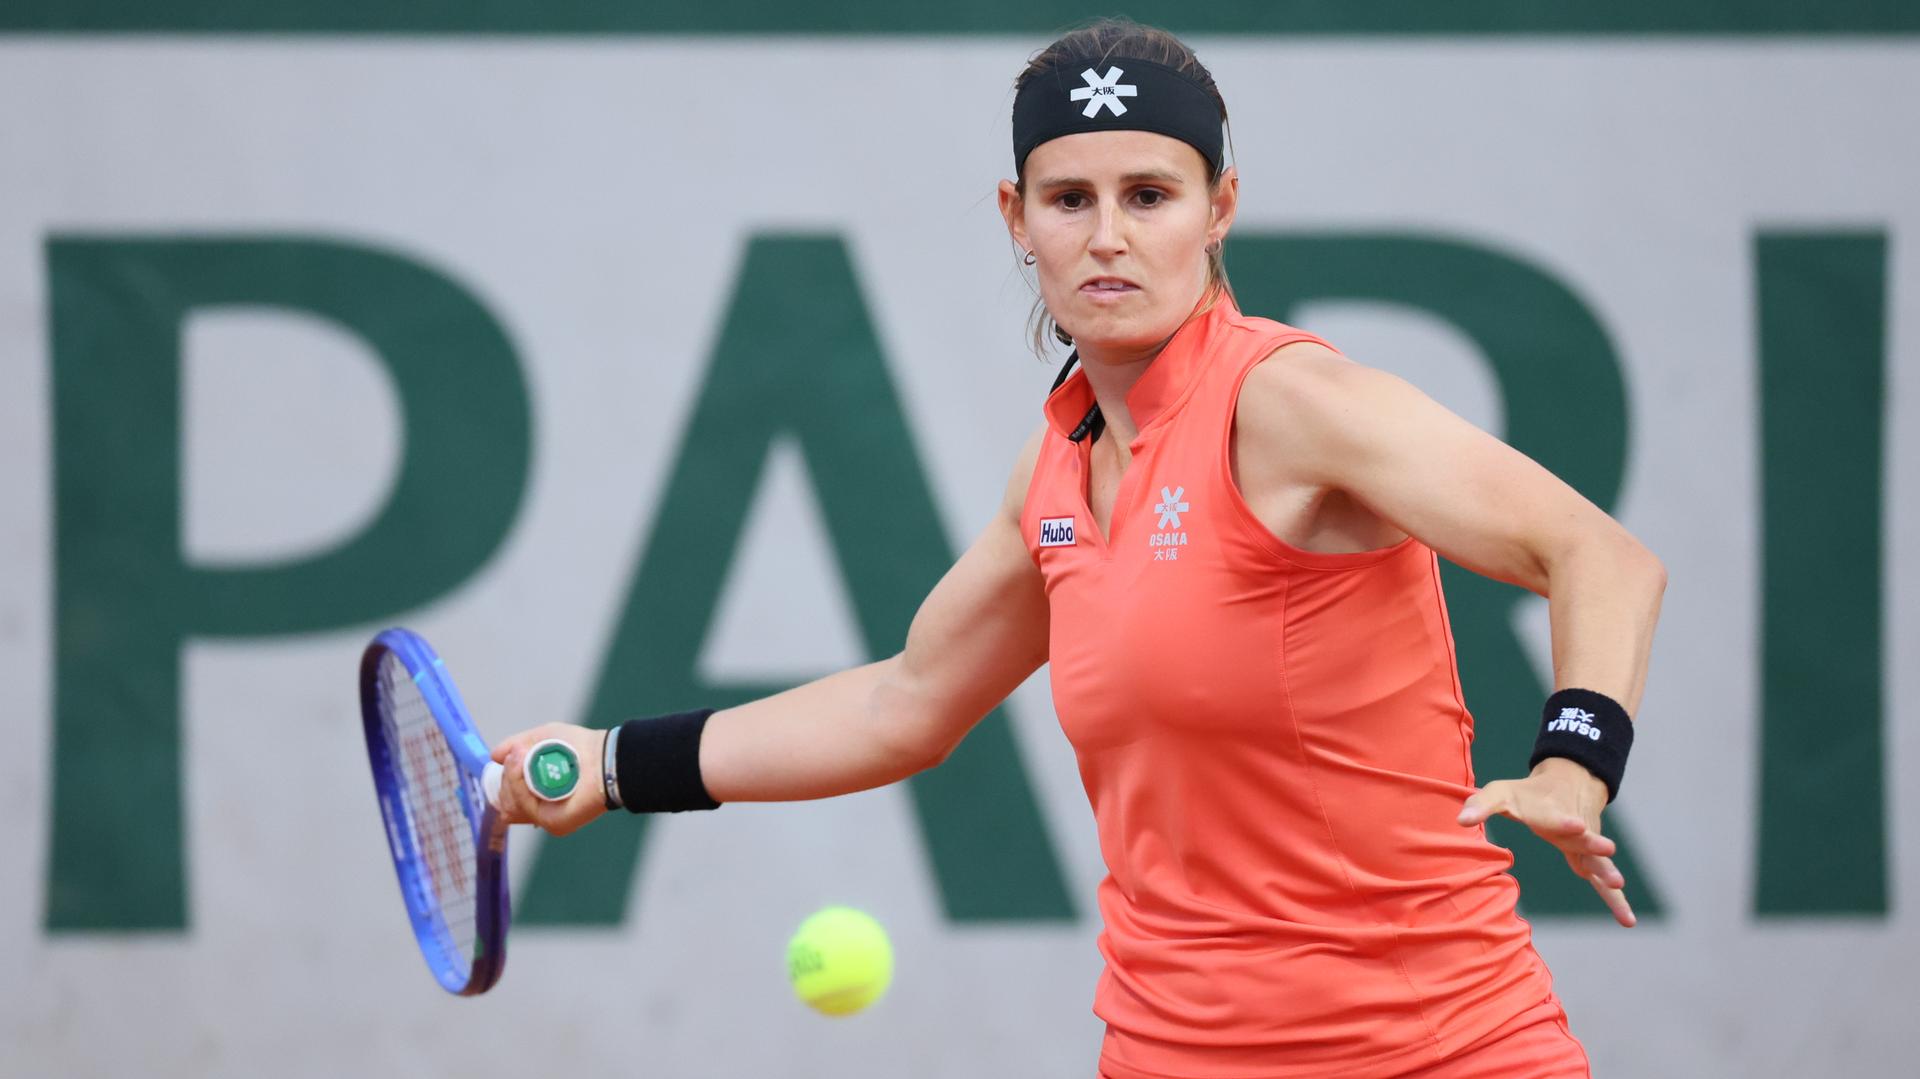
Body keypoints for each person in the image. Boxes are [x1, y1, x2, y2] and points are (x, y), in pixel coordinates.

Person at [491, 17, 1664, 1078]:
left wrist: (1574, 763)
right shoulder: (1056, 473)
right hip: (1166, 1053)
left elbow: (1598, 555)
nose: (1109, 237)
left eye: (1150, 195)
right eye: (1070, 200)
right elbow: (906, 702)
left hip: (1431, 1050)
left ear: (1221, 207)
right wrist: (605, 764)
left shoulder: (1294, 405)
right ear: (1017, 218)